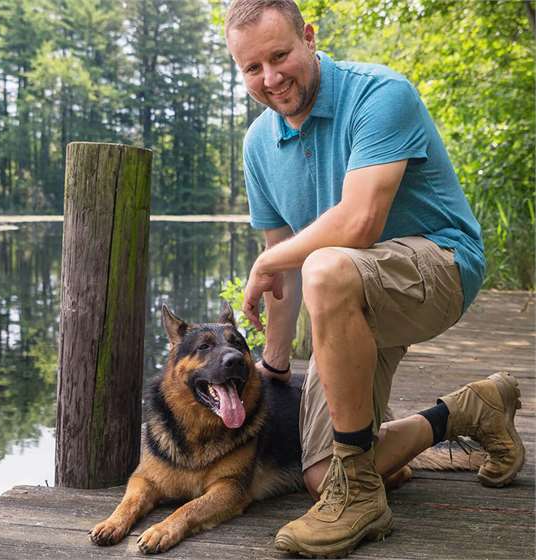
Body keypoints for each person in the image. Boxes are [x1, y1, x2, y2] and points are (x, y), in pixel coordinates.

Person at [224, 0, 525, 557]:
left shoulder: (380, 93)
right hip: (345, 292)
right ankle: (468, 410)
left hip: (439, 267)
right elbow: (281, 268)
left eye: (280, 55)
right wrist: (273, 366)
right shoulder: (257, 144)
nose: (271, 78)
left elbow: (359, 224)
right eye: (251, 68)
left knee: (328, 265)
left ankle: (361, 500)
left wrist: (271, 262)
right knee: (318, 473)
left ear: (309, 38)